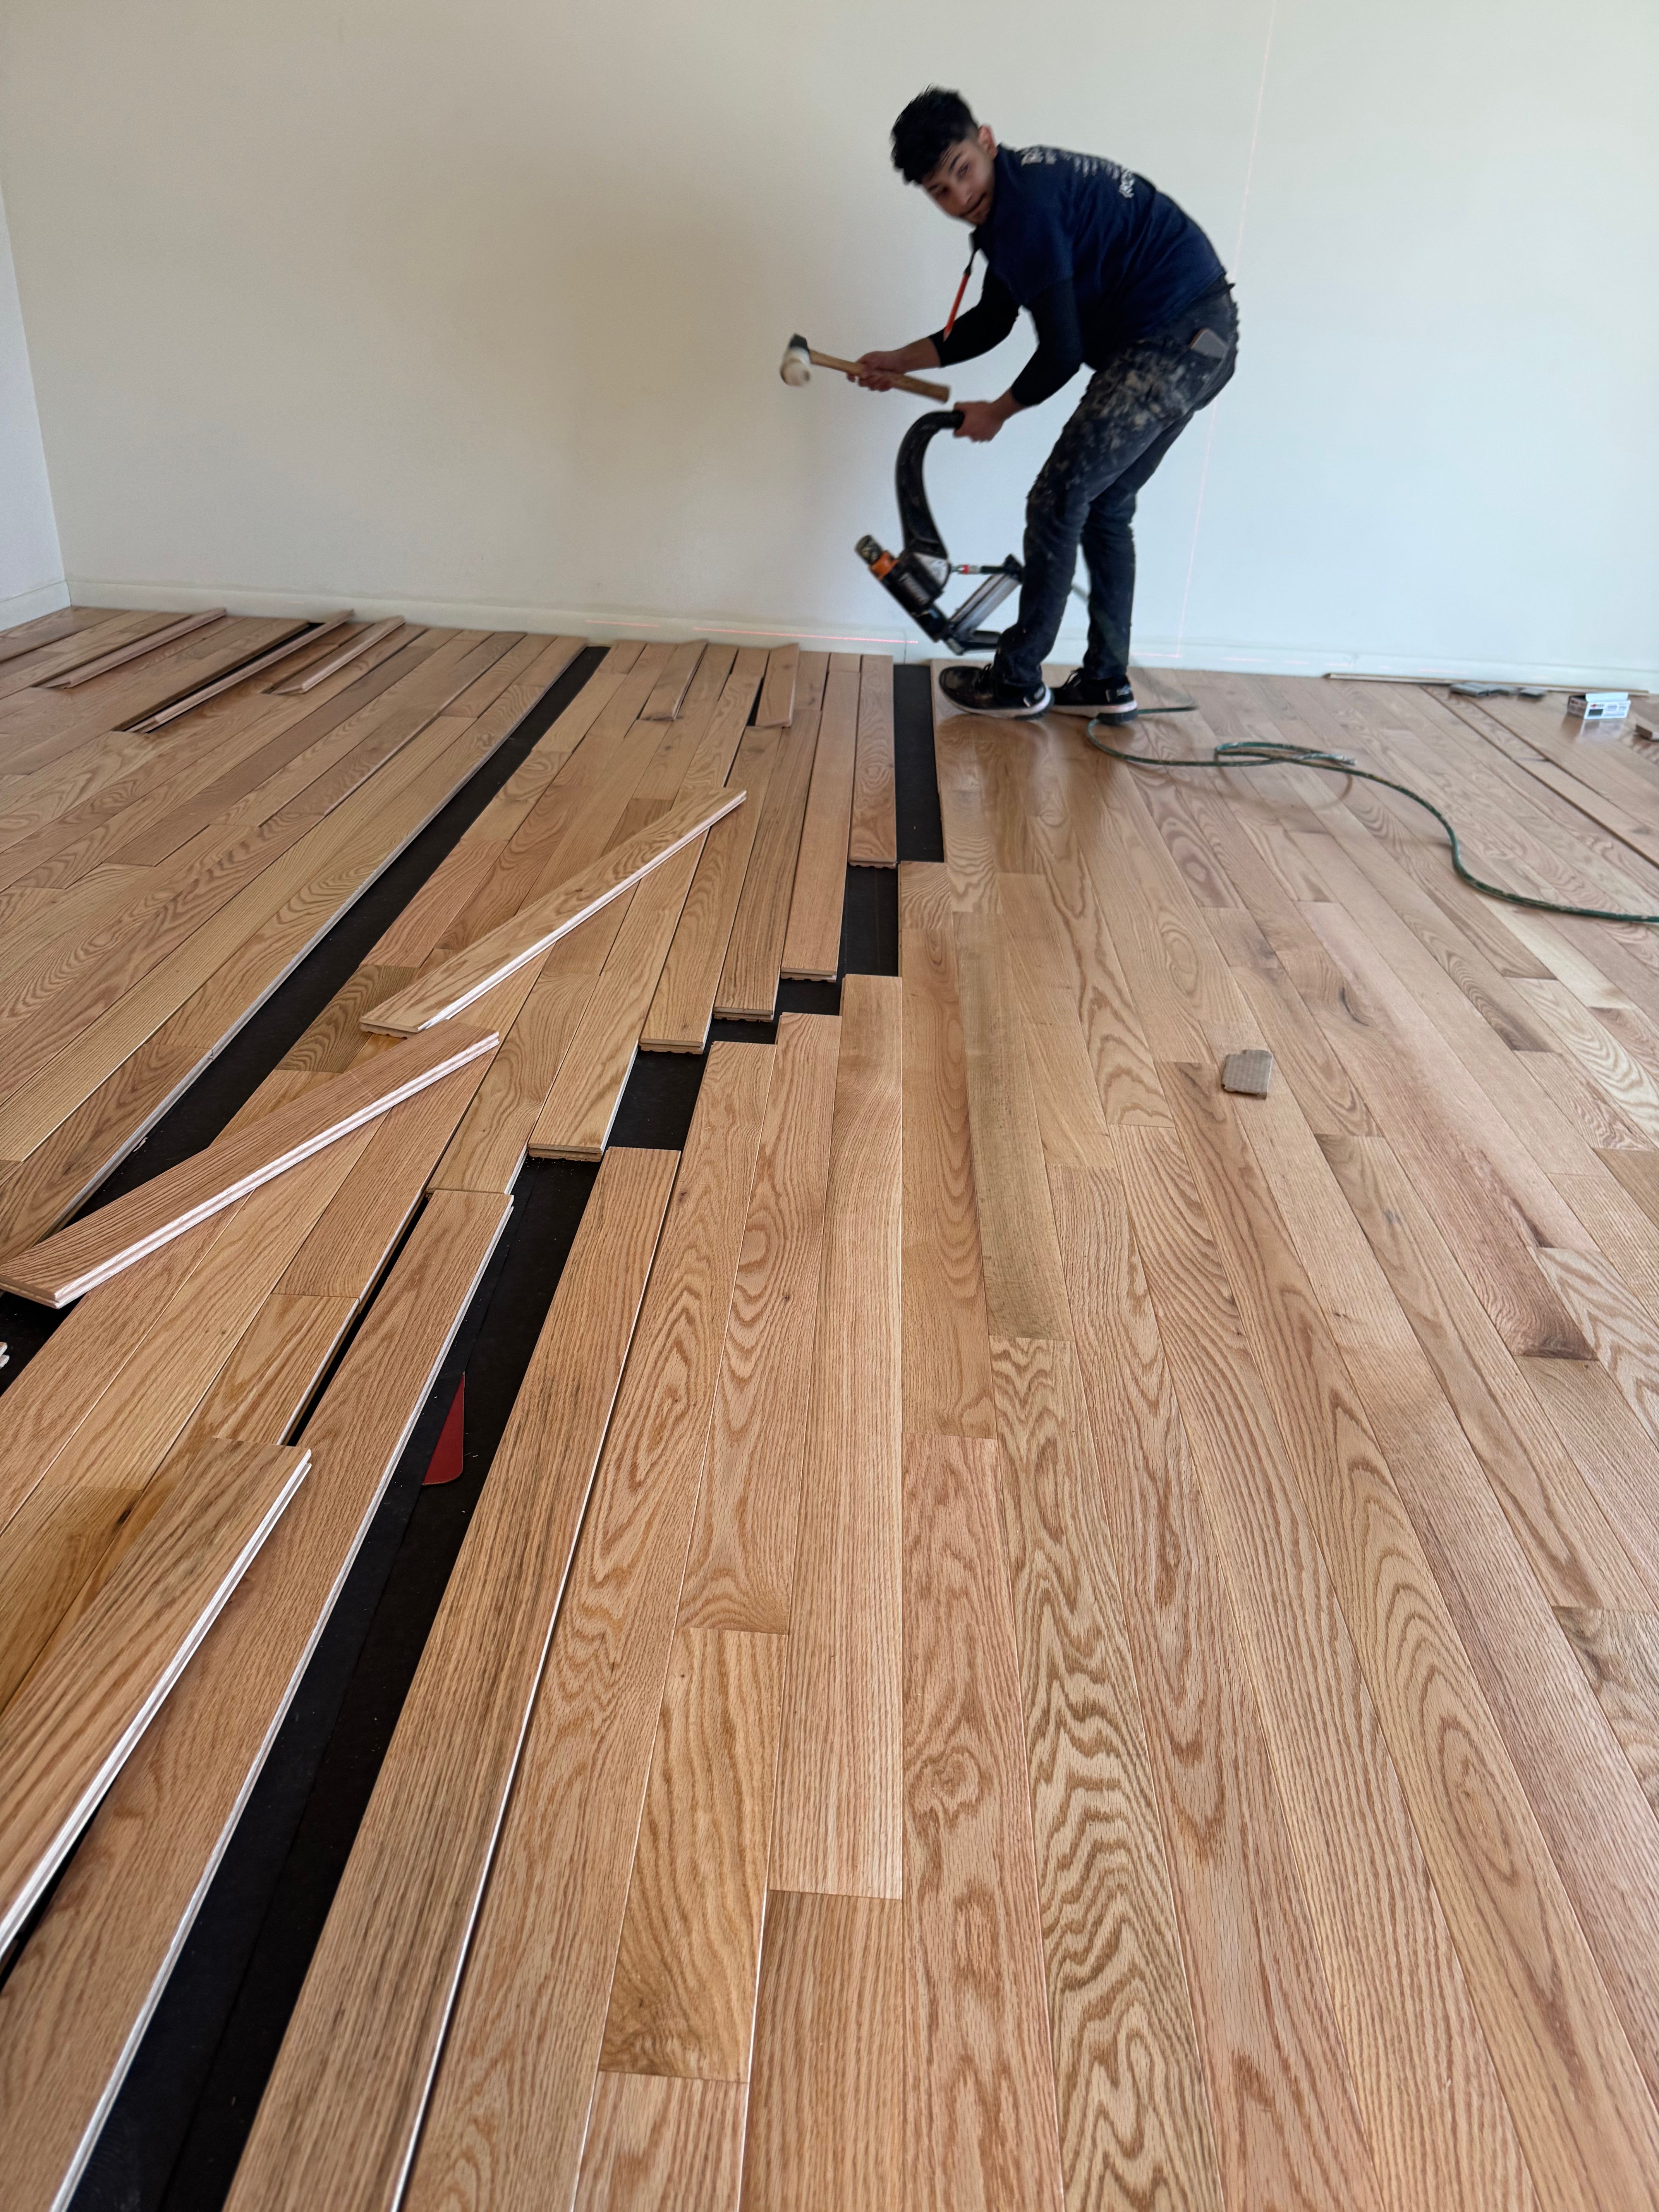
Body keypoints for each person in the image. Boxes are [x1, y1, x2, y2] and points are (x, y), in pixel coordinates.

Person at [859, 88, 1237, 724]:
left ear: (985, 139)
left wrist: (999, 410)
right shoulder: (1009, 206)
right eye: (938, 191)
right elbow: (990, 322)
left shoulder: (1027, 209)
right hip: (1202, 340)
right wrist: (899, 360)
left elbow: (1061, 353)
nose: (959, 198)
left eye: (962, 171)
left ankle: (1017, 681)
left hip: (1174, 337)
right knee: (1104, 507)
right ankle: (1105, 683)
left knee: (1058, 500)